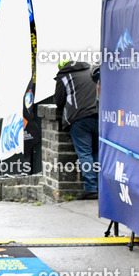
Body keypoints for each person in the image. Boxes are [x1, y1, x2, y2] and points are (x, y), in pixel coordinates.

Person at [54, 60, 99, 199]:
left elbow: (59, 101)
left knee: (85, 153)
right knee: (98, 152)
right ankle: (101, 186)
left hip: (79, 118)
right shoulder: (91, 72)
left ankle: (91, 188)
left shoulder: (64, 77)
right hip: (100, 115)